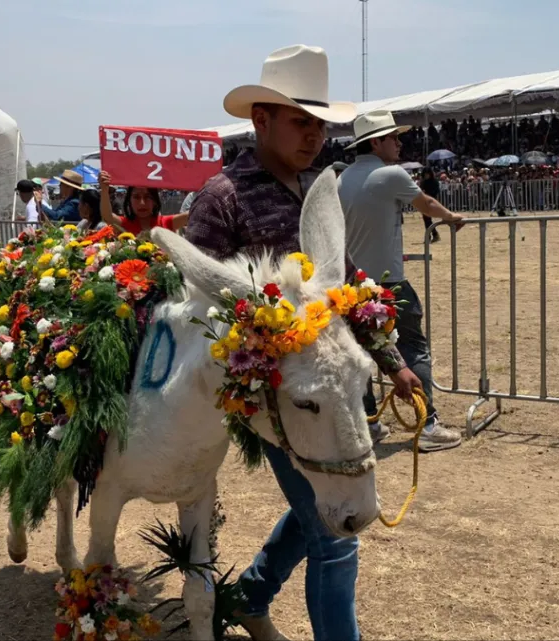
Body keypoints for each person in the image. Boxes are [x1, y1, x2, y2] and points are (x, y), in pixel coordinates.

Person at [186, 44, 416, 641]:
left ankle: (250, 596)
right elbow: (197, 307)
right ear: (260, 120)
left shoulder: (321, 188)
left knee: (323, 499)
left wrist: (392, 362)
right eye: (300, 122)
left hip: (335, 383)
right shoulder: (222, 196)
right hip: (282, 399)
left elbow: (344, 288)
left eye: (320, 124)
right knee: (337, 538)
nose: (314, 135)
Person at [337, 110, 466, 451]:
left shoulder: (341, 180)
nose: (399, 142)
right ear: (376, 142)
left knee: (360, 352)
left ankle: (369, 423)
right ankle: (428, 424)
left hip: (352, 286)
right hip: (389, 282)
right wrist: (451, 217)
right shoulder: (390, 174)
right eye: (393, 137)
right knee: (412, 347)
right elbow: (427, 203)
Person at [97, 171, 189, 235]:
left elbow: (192, 214)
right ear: (129, 200)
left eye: (147, 197)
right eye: (136, 197)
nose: (142, 203)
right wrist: (105, 189)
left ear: (155, 201)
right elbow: (107, 216)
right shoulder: (123, 224)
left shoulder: (165, 223)